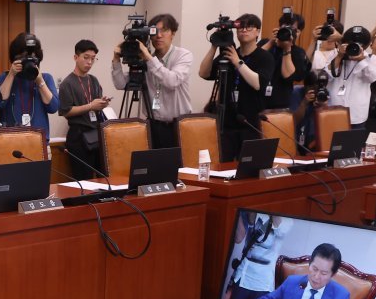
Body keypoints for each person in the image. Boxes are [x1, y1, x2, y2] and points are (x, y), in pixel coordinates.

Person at [109, 13, 194, 149]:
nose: (159, 36)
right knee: (155, 168)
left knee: (177, 168)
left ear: (173, 33)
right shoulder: (146, 60)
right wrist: (116, 59)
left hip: (179, 126)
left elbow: (172, 81)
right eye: (154, 31)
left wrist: (149, 58)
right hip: (153, 126)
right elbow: (120, 84)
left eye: (164, 30)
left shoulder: (183, 55)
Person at [199, 14, 273, 161]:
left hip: (250, 123)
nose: (244, 30)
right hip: (227, 123)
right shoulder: (229, 53)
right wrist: (214, 45)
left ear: (258, 31)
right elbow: (203, 73)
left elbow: (258, 83)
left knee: (248, 170)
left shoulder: (264, 57)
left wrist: (237, 62)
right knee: (223, 166)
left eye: (249, 27)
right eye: (240, 27)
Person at [233, 243, 350, 299]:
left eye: (324, 273)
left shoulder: (340, 296)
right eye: (314, 269)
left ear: (333, 274)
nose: (316, 276)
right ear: (309, 264)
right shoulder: (293, 283)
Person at [224, 212, 292, 299]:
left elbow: (280, 230)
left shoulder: (287, 220)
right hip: (244, 273)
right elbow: (239, 238)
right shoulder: (253, 213)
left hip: (263, 280)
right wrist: (240, 211)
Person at [58, 39, 112, 179]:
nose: (89, 62)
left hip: (96, 133)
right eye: (86, 57)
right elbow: (66, 111)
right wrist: (90, 106)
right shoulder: (67, 83)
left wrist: (102, 104)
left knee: (103, 177)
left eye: (93, 59)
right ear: (76, 57)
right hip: (78, 136)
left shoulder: (93, 80)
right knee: (83, 178)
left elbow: (96, 106)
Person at [312, 26, 376, 130]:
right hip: (333, 109)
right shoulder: (335, 54)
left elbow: (371, 78)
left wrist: (361, 59)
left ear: (365, 46)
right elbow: (326, 77)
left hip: (356, 114)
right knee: (330, 144)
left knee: (354, 144)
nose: (354, 46)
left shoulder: (371, 58)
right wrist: (339, 56)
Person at [0, 32, 60, 137]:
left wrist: (40, 82)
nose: (28, 61)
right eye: (24, 57)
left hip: (38, 141)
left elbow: (53, 107)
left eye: (33, 57)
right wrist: (11, 75)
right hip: (8, 140)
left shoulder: (46, 78)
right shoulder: (5, 77)